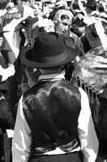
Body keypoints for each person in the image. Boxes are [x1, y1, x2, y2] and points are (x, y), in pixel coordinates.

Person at [12, 32, 99, 162]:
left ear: (38, 66)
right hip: (71, 159)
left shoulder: (27, 99)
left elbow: (21, 146)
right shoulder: (78, 94)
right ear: (63, 63)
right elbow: (87, 138)